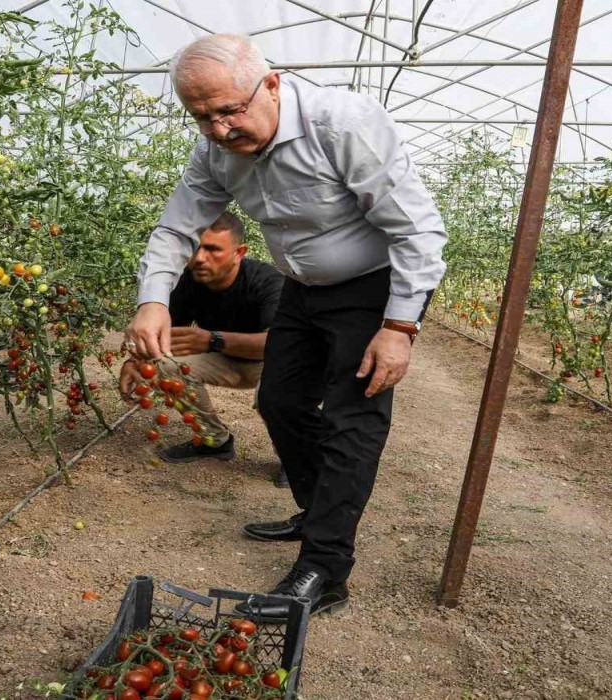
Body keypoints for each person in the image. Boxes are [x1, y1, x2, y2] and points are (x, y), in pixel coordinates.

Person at [126, 34, 447, 619]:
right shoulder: (215, 153)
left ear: (271, 84)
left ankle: (325, 568)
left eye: (230, 110)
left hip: (372, 287)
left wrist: (400, 326)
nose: (220, 130)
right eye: (201, 118)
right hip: (302, 286)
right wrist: (153, 300)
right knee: (280, 401)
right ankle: (314, 509)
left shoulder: (341, 124)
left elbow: (418, 231)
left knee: (353, 418)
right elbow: (175, 228)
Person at [119, 211, 287, 486]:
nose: (199, 258)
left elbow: (278, 344)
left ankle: (294, 456)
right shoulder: (188, 281)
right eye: (196, 247)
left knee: (277, 393)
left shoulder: (267, 282)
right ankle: (214, 440)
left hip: (272, 362)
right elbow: (164, 335)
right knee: (165, 364)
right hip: (226, 361)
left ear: (239, 252)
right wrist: (132, 361)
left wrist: (212, 340)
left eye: (212, 249)